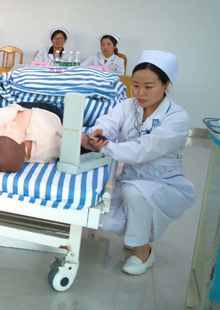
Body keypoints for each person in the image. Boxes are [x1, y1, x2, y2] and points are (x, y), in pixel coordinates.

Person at [81, 50, 194, 276]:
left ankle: (143, 250)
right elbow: (109, 122)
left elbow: (144, 150)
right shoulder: (128, 106)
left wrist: (105, 146)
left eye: (149, 87)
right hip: (131, 177)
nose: (140, 93)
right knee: (104, 220)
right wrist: (99, 132)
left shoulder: (177, 118)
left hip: (163, 182)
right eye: (135, 85)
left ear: (166, 85)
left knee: (135, 192)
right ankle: (136, 233)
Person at [0, 102, 63, 172]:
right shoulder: (49, 143)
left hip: (15, 107)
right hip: (46, 112)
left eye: (1, 130)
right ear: (24, 141)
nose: (8, 125)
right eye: (13, 132)